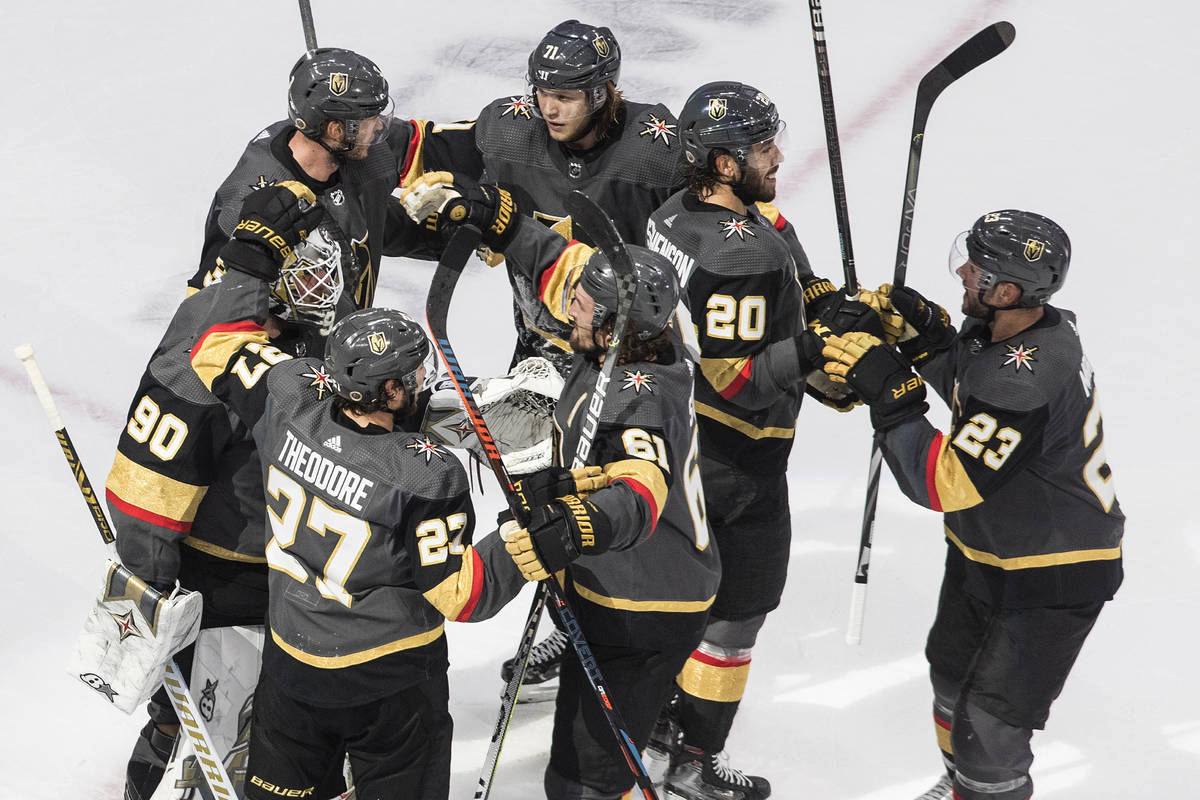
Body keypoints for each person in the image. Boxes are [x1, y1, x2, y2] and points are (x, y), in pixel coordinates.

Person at [187, 180, 528, 799]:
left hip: (293, 666)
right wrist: (527, 544)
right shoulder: (427, 473)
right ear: (392, 392)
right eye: (412, 376)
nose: (423, 382)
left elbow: (216, 348)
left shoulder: (291, 398)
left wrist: (249, 259)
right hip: (390, 681)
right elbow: (460, 594)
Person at [636, 81, 891, 800]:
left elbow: (780, 249)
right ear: (721, 163)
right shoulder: (740, 254)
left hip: (676, 441)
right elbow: (738, 377)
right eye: (760, 147)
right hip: (737, 457)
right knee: (736, 614)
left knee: (681, 599)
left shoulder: (674, 215)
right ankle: (692, 760)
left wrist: (820, 300)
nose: (777, 155)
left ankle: (652, 727)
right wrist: (817, 351)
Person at [819, 209, 1124, 800]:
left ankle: (980, 786)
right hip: (988, 551)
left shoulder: (1028, 379)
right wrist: (923, 333)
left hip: (1054, 573)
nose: (962, 270)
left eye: (976, 267)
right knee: (951, 678)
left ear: (1005, 291)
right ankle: (966, 788)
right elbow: (968, 377)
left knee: (990, 728)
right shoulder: (1014, 334)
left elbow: (944, 483)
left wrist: (892, 391)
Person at [428, 186, 721, 799]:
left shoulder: (637, 400)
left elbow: (638, 494)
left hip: (644, 608)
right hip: (621, 583)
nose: (571, 315)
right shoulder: (636, 341)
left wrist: (572, 525)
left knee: (582, 781)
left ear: (617, 326)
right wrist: (501, 223)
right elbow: (562, 264)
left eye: (585, 311)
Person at [105, 214, 346, 800]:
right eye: (305, 274)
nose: (323, 286)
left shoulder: (302, 335)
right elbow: (149, 482)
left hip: (291, 568)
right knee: (188, 712)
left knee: (289, 718)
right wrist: (148, 583)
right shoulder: (211, 344)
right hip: (221, 574)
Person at [405, 18, 686, 376]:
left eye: (565, 97)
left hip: (629, 353)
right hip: (537, 356)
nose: (549, 109)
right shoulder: (511, 131)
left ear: (601, 93)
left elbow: (716, 228)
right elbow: (413, 147)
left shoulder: (655, 152)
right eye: (542, 92)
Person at [189, 46, 462, 308]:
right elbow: (207, 321)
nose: (379, 125)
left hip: (345, 340)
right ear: (335, 130)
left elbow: (368, 220)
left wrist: (466, 223)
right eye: (370, 118)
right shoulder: (248, 208)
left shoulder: (355, 153)